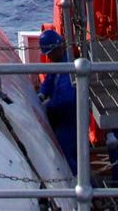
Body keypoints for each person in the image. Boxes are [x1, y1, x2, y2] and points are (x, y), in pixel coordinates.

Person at [37, 29, 78, 175]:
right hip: (61, 117)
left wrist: (48, 106)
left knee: (67, 155)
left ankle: (79, 184)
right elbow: (49, 79)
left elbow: (66, 98)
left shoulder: (68, 67)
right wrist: (42, 93)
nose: (49, 57)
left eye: (50, 54)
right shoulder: (60, 63)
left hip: (69, 119)